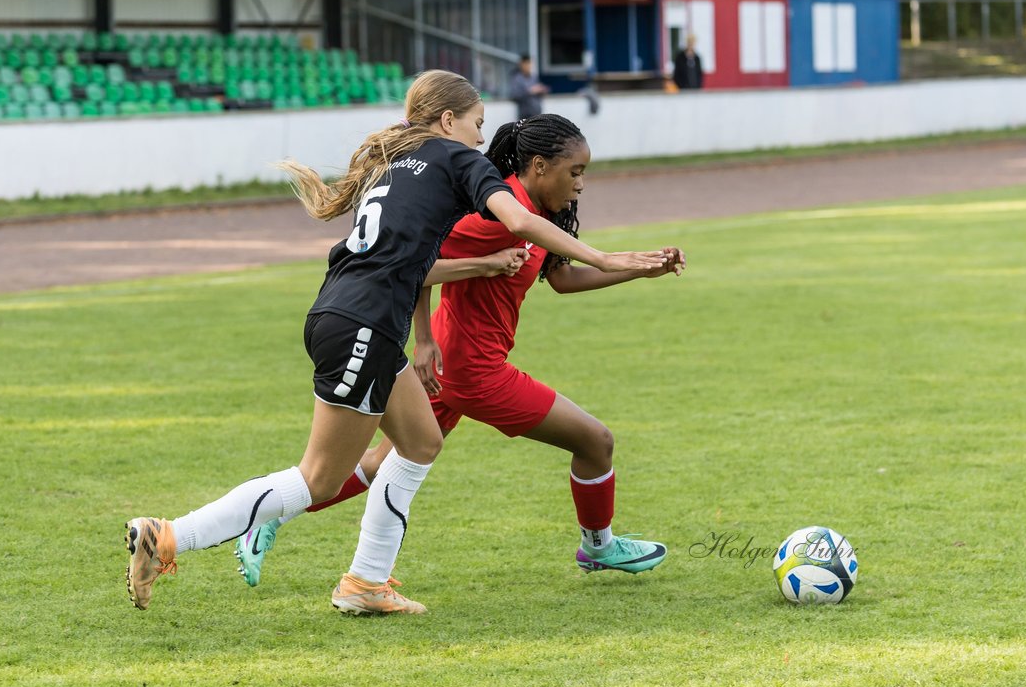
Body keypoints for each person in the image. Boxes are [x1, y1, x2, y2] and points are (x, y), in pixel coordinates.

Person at [124, 71, 666, 616]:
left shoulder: (396, 163)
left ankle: (366, 583)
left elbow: (416, 255)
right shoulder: (459, 160)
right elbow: (519, 219)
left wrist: (455, 301)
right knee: (318, 476)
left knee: (420, 443)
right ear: (448, 120)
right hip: (367, 323)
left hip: (346, 312)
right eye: (477, 124)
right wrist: (606, 257)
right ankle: (168, 535)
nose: (483, 139)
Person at [236, 113, 686, 590]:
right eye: (574, 172)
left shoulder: (534, 213)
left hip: (451, 367)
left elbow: (561, 278)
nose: (581, 184)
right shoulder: (496, 212)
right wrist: (424, 336)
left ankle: (270, 514)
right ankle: (599, 547)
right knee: (596, 441)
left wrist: (640, 269)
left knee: (377, 462)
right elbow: (415, 261)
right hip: (475, 371)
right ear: (538, 166)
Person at [508, 55, 549, 120]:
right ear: (521, 64)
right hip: (525, 115)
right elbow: (514, 95)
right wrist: (530, 91)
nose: (529, 66)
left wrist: (541, 90)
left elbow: (538, 91)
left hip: (537, 113)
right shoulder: (516, 78)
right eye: (527, 63)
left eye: (530, 63)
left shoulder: (534, 77)